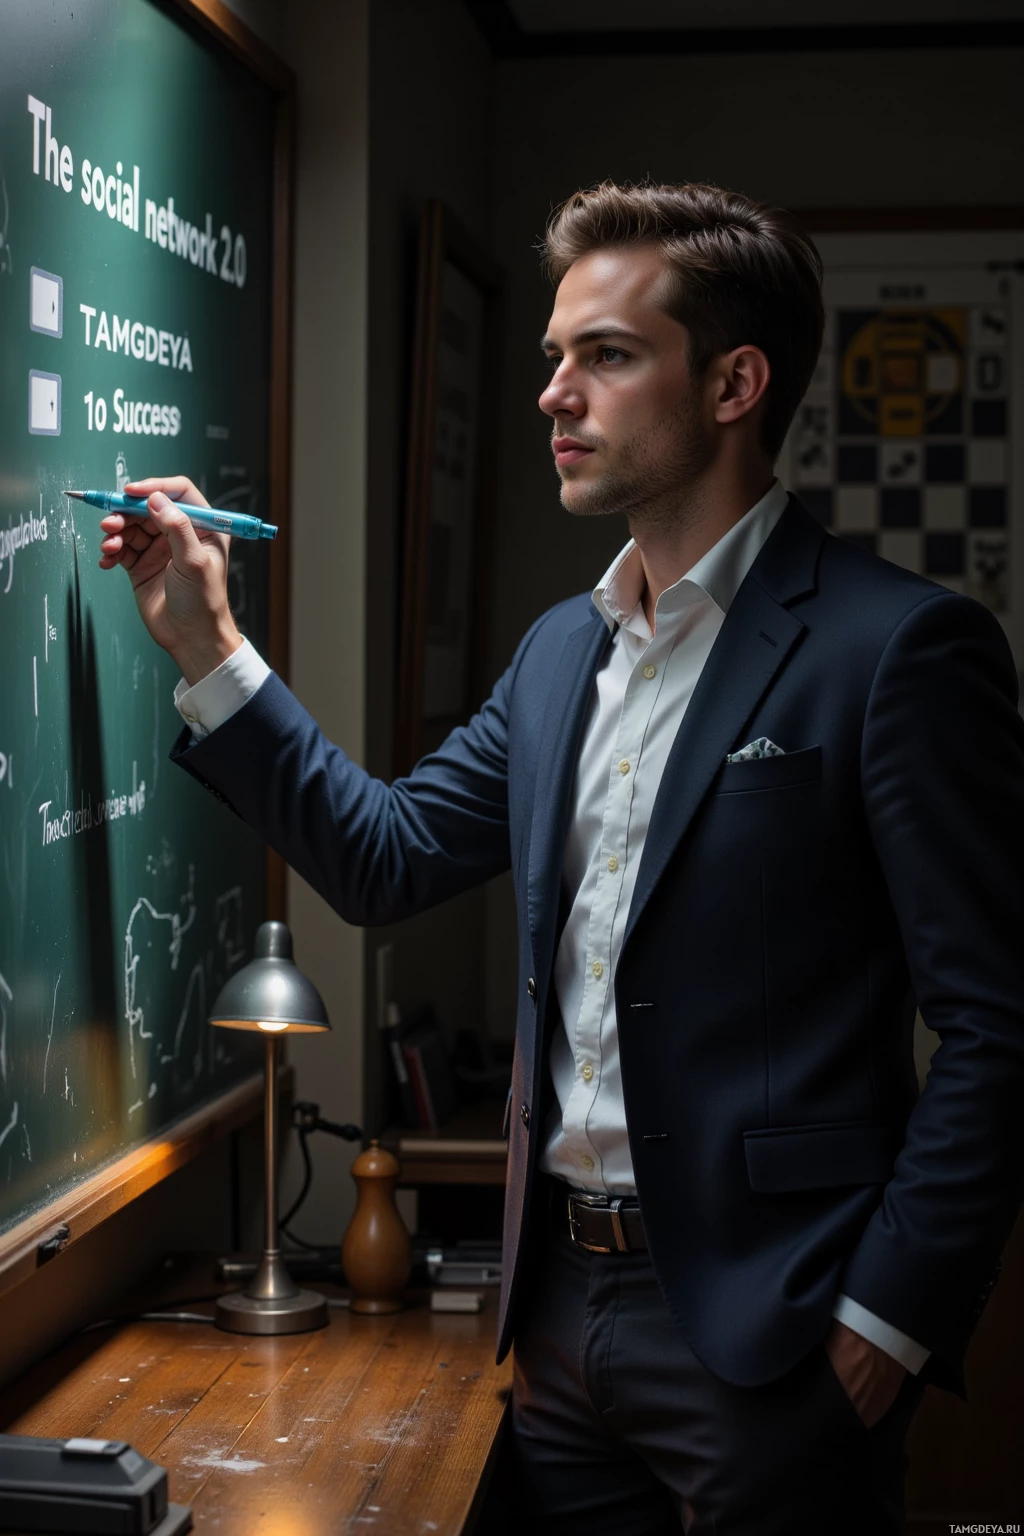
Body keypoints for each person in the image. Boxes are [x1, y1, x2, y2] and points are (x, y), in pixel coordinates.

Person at [97, 181, 1024, 1535]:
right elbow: (385, 857)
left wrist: (888, 1318)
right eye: (552, 358)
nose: (553, 395)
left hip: (777, 1333)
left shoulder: (900, 651)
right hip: (557, 1326)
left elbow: (1001, 1026)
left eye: (606, 355)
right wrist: (204, 646)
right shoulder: (556, 654)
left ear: (733, 384)